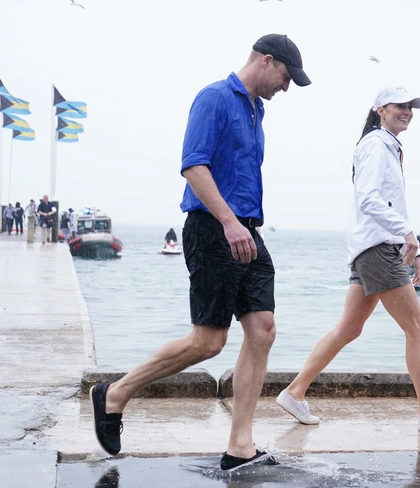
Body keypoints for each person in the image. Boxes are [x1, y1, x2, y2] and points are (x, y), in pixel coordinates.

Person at [89, 33, 311, 470]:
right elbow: (193, 165)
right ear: (266, 61)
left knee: (263, 330)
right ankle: (114, 393)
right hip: (214, 229)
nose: (286, 87)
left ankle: (240, 446)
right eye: (286, 77)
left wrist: (241, 226)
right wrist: (228, 222)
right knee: (208, 342)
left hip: (248, 232)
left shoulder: (256, 109)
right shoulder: (214, 98)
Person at [275, 86, 420, 434]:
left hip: (373, 247)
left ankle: (294, 392)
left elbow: (390, 204)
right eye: (399, 105)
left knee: (348, 329)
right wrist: (408, 233)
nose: (407, 111)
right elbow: (368, 199)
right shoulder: (375, 145)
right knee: (418, 327)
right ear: (380, 109)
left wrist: (414, 249)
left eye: (411, 107)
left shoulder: (387, 146)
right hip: (377, 248)